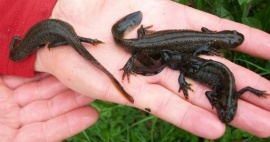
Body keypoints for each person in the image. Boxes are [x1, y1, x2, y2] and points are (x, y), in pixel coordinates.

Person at [1, 0, 270, 141]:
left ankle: (138, 37)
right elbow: (199, 44)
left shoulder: (208, 37)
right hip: (134, 43)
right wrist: (131, 61)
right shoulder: (206, 41)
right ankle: (133, 50)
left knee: (144, 42)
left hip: (143, 40)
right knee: (133, 45)